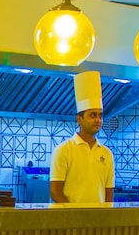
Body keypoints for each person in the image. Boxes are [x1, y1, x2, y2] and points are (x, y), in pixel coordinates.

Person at [49, 70, 115, 203]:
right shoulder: (64, 150)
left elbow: (109, 193)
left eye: (100, 115)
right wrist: (74, 212)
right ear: (79, 119)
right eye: (92, 115)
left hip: (98, 216)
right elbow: (55, 192)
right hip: (71, 216)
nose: (98, 120)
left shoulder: (107, 153)